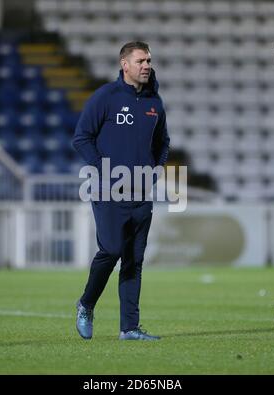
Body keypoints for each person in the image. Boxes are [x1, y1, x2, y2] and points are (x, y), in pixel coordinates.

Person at [72, 41, 170, 340]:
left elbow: (163, 142)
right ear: (124, 64)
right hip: (107, 190)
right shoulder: (106, 96)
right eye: (140, 60)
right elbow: (81, 138)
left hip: (141, 193)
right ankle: (86, 304)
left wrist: (155, 171)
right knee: (112, 250)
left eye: (149, 60)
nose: (146, 66)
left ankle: (129, 328)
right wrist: (104, 170)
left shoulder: (155, 102)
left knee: (134, 261)